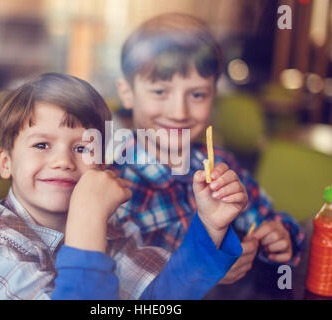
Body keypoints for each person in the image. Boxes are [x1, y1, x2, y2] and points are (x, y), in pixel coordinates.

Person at [0, 73, 246, 300]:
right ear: (5, 161)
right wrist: (87, 220)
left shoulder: (112, 222)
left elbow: (159, 296)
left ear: (103, 162)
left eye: (83, 147)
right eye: (42, 144)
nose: (63, 161)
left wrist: (210, 226)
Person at [114, 13, 306, 285]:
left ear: (213, 96)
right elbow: (117, 282)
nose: (179, 112)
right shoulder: (111, 180)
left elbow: (272, 221)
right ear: (127, 93)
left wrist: (276, 237)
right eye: (160, 92)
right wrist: (203, 270)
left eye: (197, 95)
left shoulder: (223, 165)